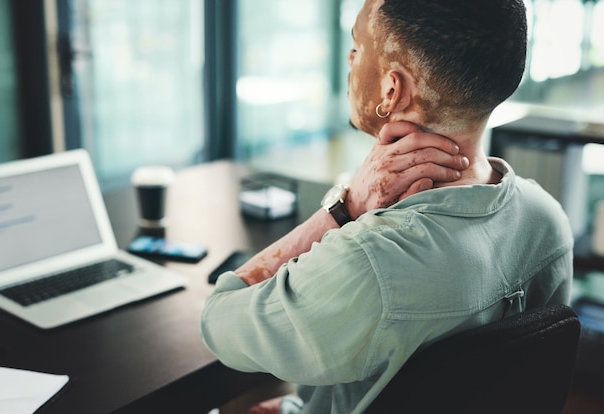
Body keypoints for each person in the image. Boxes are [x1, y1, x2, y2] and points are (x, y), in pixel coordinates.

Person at [201, 0, 574, 413]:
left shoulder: (371, 262)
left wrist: (345, 208)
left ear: (391, 91)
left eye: (358, 47)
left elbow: (220, 323)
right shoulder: (547, 220)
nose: (349, 58)